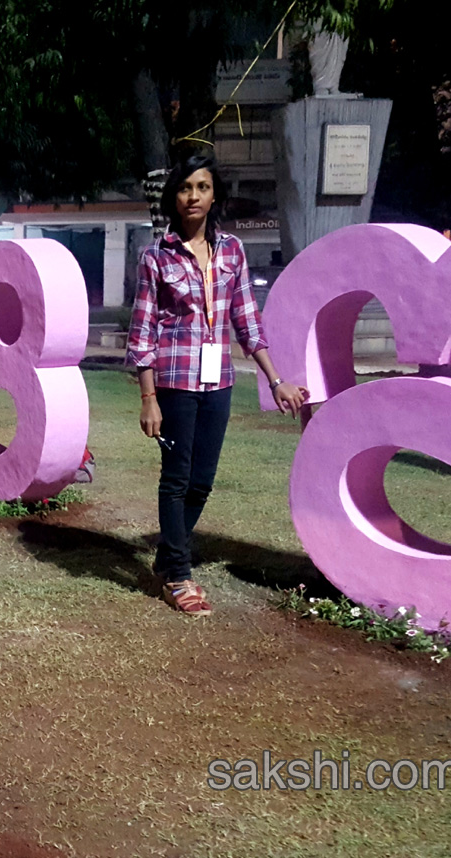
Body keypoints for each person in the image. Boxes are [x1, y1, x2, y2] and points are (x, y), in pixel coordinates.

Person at [127, 155, 307, 617]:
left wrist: (276, 379)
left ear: (213, 195)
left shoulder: (232, 251)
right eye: (185, 188)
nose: (193, 196)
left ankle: (168, 560)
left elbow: (246, 319)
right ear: (174, 196)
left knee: (202, 483)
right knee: (177, 477)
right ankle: (179, 576)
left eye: (202, 187)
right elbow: (143, 331)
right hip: (174, 380)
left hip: (218, 381)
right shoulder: (156, 256)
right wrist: (149, 398)